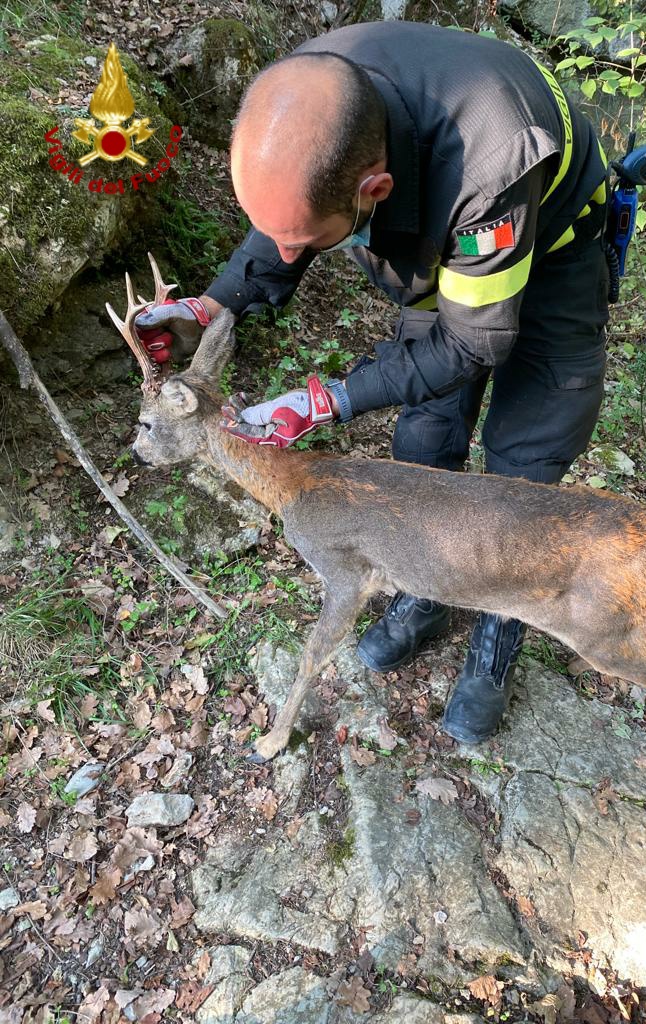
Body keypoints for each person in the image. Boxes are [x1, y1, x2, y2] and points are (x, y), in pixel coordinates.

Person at [136, 20, 611, 745]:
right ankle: (428, 593)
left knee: (527, 457)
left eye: (313, 243)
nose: (294, 255)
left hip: (550, 251)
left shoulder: (491, 161)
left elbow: (474, 341)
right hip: (438, 242)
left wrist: (329, 399)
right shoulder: (308, 95)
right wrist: (213, 303)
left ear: (375, 189)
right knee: (424, 435)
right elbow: (284, 220)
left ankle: (498, 633)